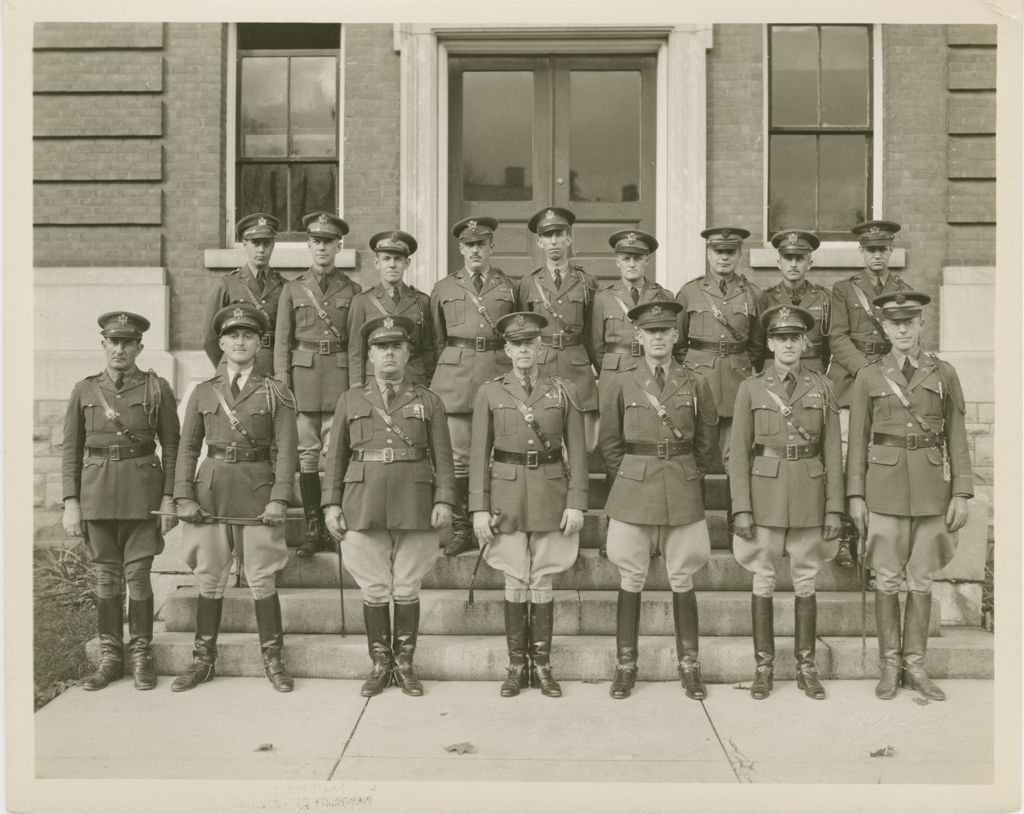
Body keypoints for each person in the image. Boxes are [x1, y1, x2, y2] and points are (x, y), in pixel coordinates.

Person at [847, 291, 972, 702]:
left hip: (933, 492)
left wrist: (961, 493)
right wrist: (855, 497)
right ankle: (888, 664)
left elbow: (956, 435)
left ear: (921, 325)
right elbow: (858, 440)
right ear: (884, 327)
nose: (902, 329)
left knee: (921, 580)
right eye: (894, 323)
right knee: (886, 578)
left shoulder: (943, 373)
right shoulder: (869, 375)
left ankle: (914, 665)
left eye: (910, 322)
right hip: (883, 493)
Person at [323, 315, 455, 697]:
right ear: (370, 355)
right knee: (375, 589)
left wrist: (445, 499)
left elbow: (444, 458)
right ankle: (380, 664)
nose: (389, 354)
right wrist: (331, 504)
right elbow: (335, 458)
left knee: (408, 587)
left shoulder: (428, 400)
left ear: (408, 352)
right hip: (361, 502)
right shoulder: (351, 400)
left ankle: (405, 664)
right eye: (382, 347)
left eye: (396, 346)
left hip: (415, 503)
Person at [173, 303, 299, 693]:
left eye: (248, 336)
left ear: (259, 343)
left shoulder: (276, 391)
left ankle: (273, 659)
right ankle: (202, 660)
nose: (240, 343)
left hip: (258, 492)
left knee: (262, 576)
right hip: (209, 492)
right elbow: (187, 448)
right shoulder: (203, 391)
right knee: (210, 577)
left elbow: (288, 449)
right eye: (232, 336)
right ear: (221, 343)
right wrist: (182, 495)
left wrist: (280, 498)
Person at [598, 300, 718, 701]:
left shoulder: (696, 381)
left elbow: (706, 441)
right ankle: (626, 666)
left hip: (681, 485)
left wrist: (688, 472)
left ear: (676, 335)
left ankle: (689, 666)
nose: (658, 338)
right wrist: (632, 474)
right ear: (639, 336)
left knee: (682, 576)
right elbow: (610, 444)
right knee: (631, 576)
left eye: (665, 331)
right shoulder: (620, 380)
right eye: (651, 332)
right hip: (634, 487)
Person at [469, 311, 588, 698]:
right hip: (506, 495)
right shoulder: (490, 391)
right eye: (516, 344)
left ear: (541, 348)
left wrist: (577, 503)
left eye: (530, 343)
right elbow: (477, 455)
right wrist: (478, 508)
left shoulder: (564, 389)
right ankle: (515, 665)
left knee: (543, 578)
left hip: (551, 492)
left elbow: (579, 453)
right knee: (514, 577)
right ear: (506, 349)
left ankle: (543, 665)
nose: (523, 349)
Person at [729, 304, 844, 701]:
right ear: (771, 344)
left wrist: (835, 509)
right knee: (763, 579)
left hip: (810, 496)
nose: (788, 345)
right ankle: (764, 668)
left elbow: (833, 454)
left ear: (805, 342)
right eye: (781, 339)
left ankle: (806, 667)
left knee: (806, 581)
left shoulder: (822, 388)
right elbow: (738, 454)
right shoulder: (751, 388)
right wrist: (741, 507)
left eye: (795, 338)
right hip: (764, 499)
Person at [61, 312, 180, 691]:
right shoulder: (84, 390)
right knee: (105, 576)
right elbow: (70, 450)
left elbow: (173, 447)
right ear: (103, 345)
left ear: (139, 348)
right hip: (95, 495)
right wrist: (71, 501)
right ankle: (111, 656)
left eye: (127, 343)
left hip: (142, 495)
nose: (120, 349)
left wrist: (169, 498)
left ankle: (142, 652)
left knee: (139, 576)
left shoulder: (156, 388)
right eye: (113, 342)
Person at [430, 215, 518, 557]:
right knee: (460, 459)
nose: (475, 250)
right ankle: (464, 528)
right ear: (460, 249)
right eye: (469, 245)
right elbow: (436, 341)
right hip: (455, 380)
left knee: (501, 455)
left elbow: (517, 333)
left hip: (496, 374)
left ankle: (499, 521)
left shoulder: (510, 287)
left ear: (491, 247)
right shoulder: (444, 287)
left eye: (481, 244)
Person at [274, 211, 361, 558]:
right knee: (308, 459)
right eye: (317, 242)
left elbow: (356, 345)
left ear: (339, 246)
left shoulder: (352, 290)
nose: (323, 247)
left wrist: (356, 388)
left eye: (329, 242)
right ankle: (313, 526)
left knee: (336, 458)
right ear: (309, 245)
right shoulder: (293, 289)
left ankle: (334, 523)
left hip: (340, 380)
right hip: (304, 383)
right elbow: (283, 342)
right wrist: (283, 384)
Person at [827, 220, 911, 568]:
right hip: (851, 380)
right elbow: (837, 337)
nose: (877, 255)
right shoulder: (844, 290)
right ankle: (847, 536)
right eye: (870, 250)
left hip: (890, 384)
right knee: (848, 458)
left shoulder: (903, 289)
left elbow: (906, 338)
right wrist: (865, 370)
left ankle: (877, 537)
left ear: (891, 252)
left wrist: (886, 375)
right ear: (861, 253)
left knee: (883, 458)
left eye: (882, 250)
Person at [674, 226, 765, 530]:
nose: (723, 258)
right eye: (718, 252)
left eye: (730, 253)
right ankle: (691, 523)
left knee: (737, 458)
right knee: (694, 457)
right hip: (700, 383)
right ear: (708, 253)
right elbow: (678, 341)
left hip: (738, 384)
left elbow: (758, 344)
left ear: (739, 255)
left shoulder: (753, 294)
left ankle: (735, 521)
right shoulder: (690, 292)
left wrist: (740, 367)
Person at [519, 207, 600, 450]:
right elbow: (522, 332)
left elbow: (593, 334)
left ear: (569, 238)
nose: (554, 240)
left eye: (559, 234)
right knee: (543, 442)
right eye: (547, 235)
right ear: (540, 242)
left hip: (577, 370)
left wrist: (602, 373)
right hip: (540, 368)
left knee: (583, 445)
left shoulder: (587, 282)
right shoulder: (528, 283)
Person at [348, 230, 436, 388]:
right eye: (386, 259)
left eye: (398, 259)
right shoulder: (361, 302)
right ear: (377, 263)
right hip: (374, 381)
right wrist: (356, 387)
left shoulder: (422, 301)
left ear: (407, 263)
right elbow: (356, 352)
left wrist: (429, 384)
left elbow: (428, 350)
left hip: (414, 380)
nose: (392, 265)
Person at [587, 229, 673, 388]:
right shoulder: (603, 297)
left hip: (651, 372)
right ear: (618, 262)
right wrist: (608, 371)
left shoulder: (664, 296)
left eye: (638, 258)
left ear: (647, 260)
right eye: (626, 259)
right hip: (614, 373)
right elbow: (595, 346)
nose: (632, 264)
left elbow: (671, 341)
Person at [202, 213, 285, 378]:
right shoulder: (227, 284)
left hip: (273, 368)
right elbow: (210, 339)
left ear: (273, 245)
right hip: (236, 367)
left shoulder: (284, 286)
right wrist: (229, 366)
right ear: (244, 244)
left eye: (266, 243)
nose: (261, 250)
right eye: (255, 243)